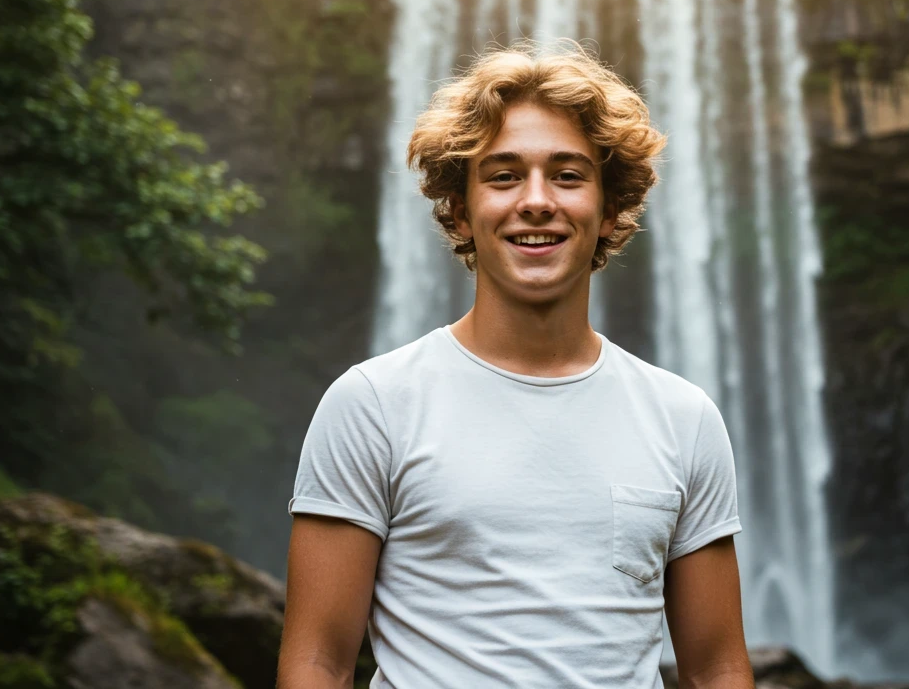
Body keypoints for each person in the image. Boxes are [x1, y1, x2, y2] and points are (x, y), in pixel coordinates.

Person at [277, 44, 752, 689]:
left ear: (610, 208)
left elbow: (717, 670)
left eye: (568, 175)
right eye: (502, 176)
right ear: (461, 211)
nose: (535, 201)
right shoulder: (373, 405)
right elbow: (317, 665)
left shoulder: (684, 419)